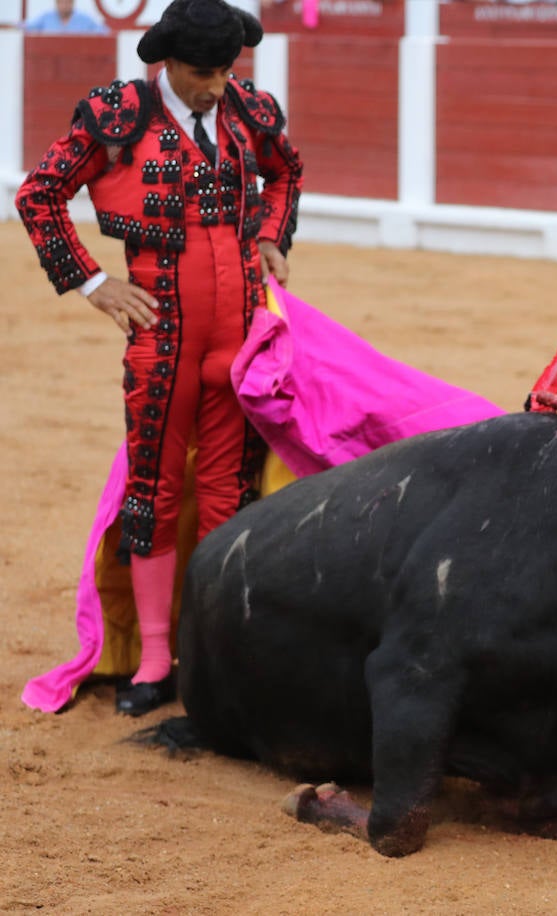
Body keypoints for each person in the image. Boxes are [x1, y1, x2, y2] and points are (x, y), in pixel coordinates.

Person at [13, 0, 303, 718]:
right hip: (162, 337)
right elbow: (39, 194)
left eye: (227, 69)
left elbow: (286, 174)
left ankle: (213, 654)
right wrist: (92, 281)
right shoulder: (118, 116)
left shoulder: (248, 111)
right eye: (204, 73)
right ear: (166, 62)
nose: (217, 85)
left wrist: (271, 236)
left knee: (228, 499)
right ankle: (153, 658)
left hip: (238, 337)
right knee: (153, 492)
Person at [23, 0, 108, 33]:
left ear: (72, 3)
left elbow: (104, 32)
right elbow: (28, 26)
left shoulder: (84, 19)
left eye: (67, 2)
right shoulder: (46, 17)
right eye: (61, 2)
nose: (64, 5)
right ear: (56, 3)